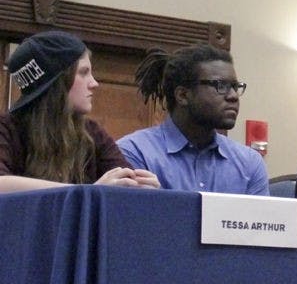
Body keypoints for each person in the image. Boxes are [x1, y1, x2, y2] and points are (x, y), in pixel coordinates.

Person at [0, 30, 159, 193]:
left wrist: (143, 189)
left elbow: (124, 181)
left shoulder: (92, 132)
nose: (94, 83)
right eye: (83, 73)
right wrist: (86, 193)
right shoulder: (7, 128)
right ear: (56, 83)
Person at [117, 45, 268, 195]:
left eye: (235, 86)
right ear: (182, 95)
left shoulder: (249, 163)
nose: (233, 96)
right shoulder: (135, 151)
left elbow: (260, 218)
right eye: (220, 85)